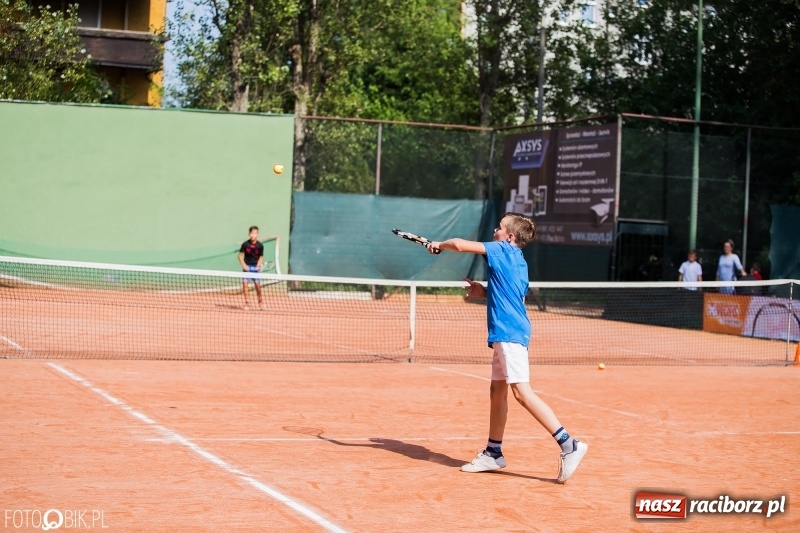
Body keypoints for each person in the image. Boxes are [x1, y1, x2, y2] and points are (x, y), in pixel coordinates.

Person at [426, 212, 588, 484]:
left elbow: (461, 244)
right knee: (497, 392)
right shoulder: (518, 262)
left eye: (499, 228)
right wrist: (483, 292)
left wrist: (439, 244)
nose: (494, 231)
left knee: (522, 393)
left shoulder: (502, 250)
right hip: (507, 333)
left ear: (510, 237)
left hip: (509, 332)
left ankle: (568, 444)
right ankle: (493, 452)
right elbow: (508, 294)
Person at [238, 225, 266, 310]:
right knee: (245, 284)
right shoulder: (245, 244)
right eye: (252, 233)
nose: (253, 235)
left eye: (255, 233)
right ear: (249, 234)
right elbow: (239, 256)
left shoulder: (260, 246)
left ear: (257, 234)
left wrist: (258, 265)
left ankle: (260, 301)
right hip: (247, 267)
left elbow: (261, 257)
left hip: (255, 268)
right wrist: (244, 265)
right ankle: (247, 302)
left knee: (257, 285)